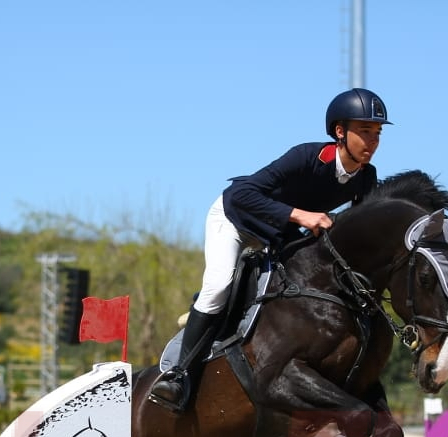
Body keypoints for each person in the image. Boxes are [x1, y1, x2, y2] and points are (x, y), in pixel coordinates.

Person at [149, 88, 391, 413]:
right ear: (339, 132)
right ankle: (178, 376)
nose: (372, 141)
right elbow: (241, 193)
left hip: (277, 234)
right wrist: (300, 215)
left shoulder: (366, 178)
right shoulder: (306, 156)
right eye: (364, 132)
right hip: (235, 220)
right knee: (218, 285)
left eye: (376, 133)